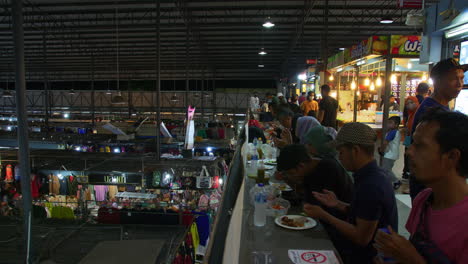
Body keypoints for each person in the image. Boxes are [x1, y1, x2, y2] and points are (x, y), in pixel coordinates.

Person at [374, 110, 468, 264]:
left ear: (452, 157)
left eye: (420, 146)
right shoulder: (424, 199)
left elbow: (413, 257)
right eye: (412, 144)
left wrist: (410, 258)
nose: (409, 152)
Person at [303, 122, 398, 264]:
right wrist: (338, 205)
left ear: (355, 150)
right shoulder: (368, 175)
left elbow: (361, 237)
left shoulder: (372, 184)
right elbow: (365, 213)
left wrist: (324, 215)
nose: (339, 157)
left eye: (341, 152)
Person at [409, 58, 466, 200]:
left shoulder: (440, 108)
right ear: (438, 82)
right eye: (453, 79)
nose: (459, 84)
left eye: (461, 78)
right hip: (429, 186)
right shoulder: (431, 112)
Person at [277, 143, 353, 219]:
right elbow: (303, 193)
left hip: (343, 220)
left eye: (291, 173)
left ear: (301, 166)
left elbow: (314, 206)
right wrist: (286, 178)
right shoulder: (310, 167)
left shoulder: (327, 169)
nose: (291, 176)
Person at [378, 116, 401, 189]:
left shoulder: (392, 132)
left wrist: (381, 150)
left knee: (385, 169)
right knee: (387, 169)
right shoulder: (395, 132)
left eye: (391, 123)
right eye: (388, 122)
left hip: (389, 155)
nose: (388, 124)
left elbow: (385, 143)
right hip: (392, 154)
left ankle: (396, 181)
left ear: (396, 125)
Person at [401, 96, 419, 181]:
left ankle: (410, 173)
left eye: (411, 102)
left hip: (414, 139)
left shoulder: (417, 113)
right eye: (407, 103)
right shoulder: (410, 114)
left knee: (411, 156)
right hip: (409, 137)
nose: (409, 105)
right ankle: (406, 172)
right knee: (407, 155)